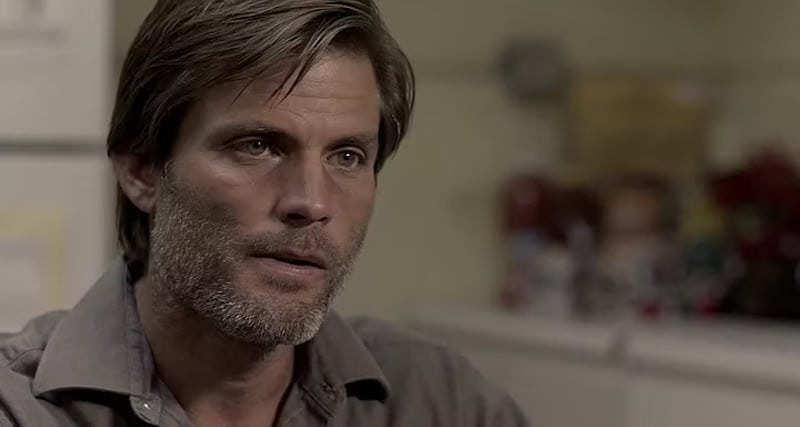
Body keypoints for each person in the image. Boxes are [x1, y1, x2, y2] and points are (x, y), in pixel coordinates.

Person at [0, 1, 529, 426]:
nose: (311, 203)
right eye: (257, 146)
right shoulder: (20, 407)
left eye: (347, 157)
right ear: (142, 170)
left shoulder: (443, 403)